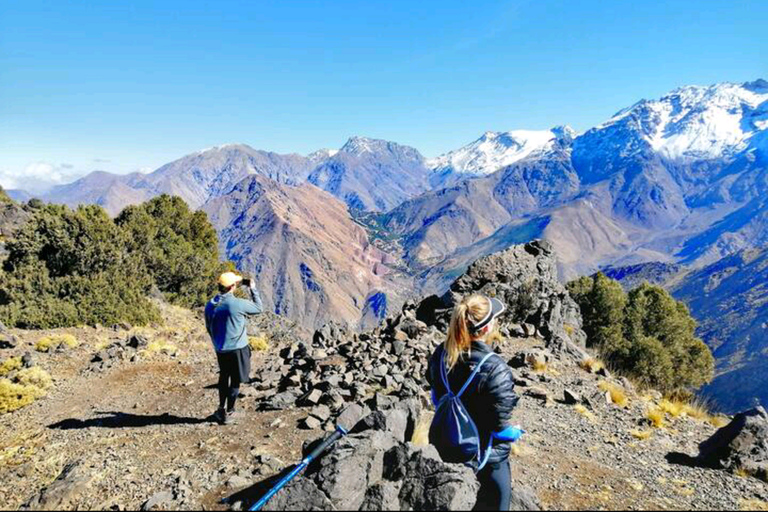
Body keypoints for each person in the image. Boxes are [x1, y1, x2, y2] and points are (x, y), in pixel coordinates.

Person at [426, 294, 519, 511]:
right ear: (486, 328)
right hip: (486, 458)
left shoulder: (441, 354)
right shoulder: (496, 369)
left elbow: (435, 396)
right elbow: (499, 428)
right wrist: (514, 432)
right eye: (494, 318)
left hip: (446, 444)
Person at [205, 271, 263, 425]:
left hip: (221, 348)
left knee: (224, 377)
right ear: (231, 287)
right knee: (235, 380)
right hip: (238, 348)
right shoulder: (237, 304)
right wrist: (252, 289)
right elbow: (258, 308)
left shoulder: (210, 304)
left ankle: (220, 409)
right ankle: (230, 412)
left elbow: (208, 327)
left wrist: (217, 341)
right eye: (235, 284)